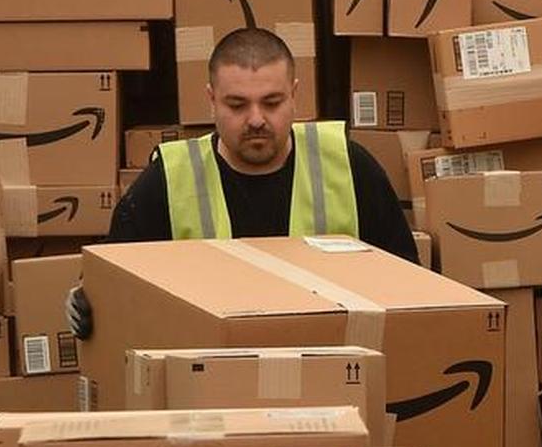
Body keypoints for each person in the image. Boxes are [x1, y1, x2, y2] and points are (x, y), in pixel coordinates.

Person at [67, 27, 417, 338]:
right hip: (213, 389)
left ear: (295, 95)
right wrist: (84, 299)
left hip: (333, 378)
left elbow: (408, 282)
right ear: (211, 101)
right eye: (237, 105)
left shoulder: (348, 166)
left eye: (272, 102)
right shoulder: (171, 178)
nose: (255, 119)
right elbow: (108, 283)